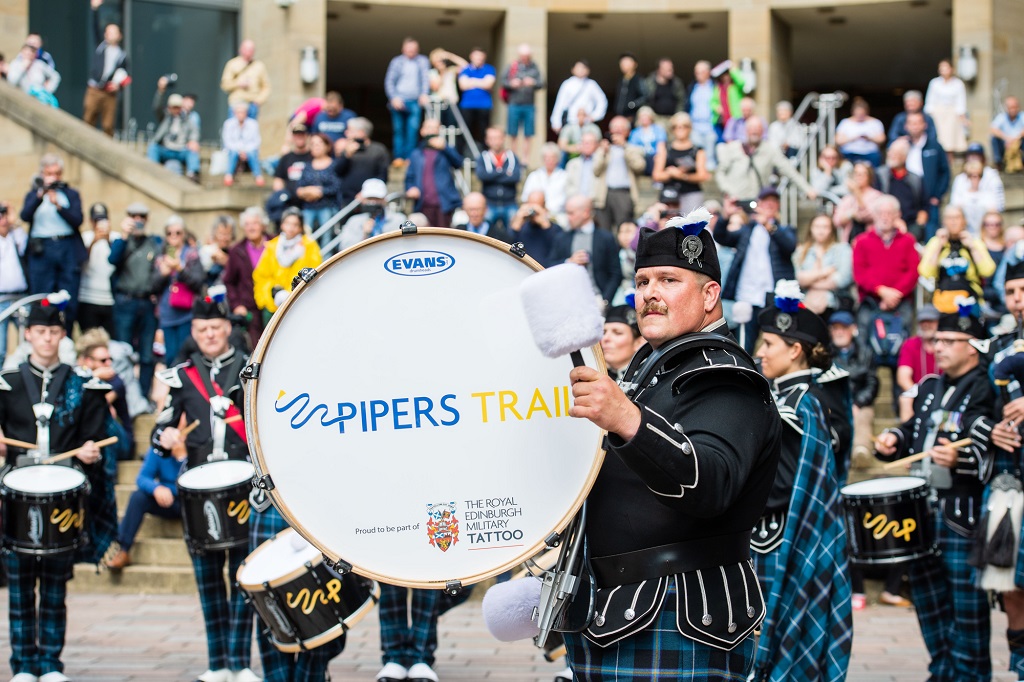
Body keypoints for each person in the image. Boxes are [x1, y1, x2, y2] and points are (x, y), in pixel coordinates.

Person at [561, 214, 782, 681]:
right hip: (617, 609)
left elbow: (711, 483)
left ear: (709, 295)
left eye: (668, 279)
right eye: (642, 281)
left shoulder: (726, 376)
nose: (649, 293)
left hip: (678, 610)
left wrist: (624, 416)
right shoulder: (655, 369)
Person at [874, 302, 995, 682]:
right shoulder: (930, 387)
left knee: (967, 611)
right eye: (936, 339)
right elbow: (915, 431)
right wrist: (894, 437)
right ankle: (942, 672)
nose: (937, 346)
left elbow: (994, 449)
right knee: (929, 603)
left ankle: (970, 676)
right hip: (920, 516)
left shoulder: (989, 390)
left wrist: (959, 461)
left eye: (948, 340)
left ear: (972, 346)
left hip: (962, 518)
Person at [0, 296, 111, 682]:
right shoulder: (7, 384)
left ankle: (50, 663)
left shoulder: (80, 383)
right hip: (17, 495)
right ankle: (22, 665)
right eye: (40, 332)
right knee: (18, 584)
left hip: (63, 494)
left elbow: (97, 437)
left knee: (54, 582)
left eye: (54, 332)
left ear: (63, 335)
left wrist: (91, 451)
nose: (47, 339)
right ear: (28, 335)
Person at [151, 293, 258, 682]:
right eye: (201, 329)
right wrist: (163, 438)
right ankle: (217, 664)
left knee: (242, 576)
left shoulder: (251, 369)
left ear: (228, 328)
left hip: (244, 487)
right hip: (198, 488)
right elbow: (161, 424)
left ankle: (241, 662)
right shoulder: (182, 375)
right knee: (209, 579)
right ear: (192, 332)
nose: (209, 334)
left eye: (215, 327)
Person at [751, 282, 852, 680]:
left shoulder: (808, 403)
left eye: (769, 343)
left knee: (782, 649)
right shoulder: (787, 398)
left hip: (784, 540)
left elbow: (783, 487)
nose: (760, 352)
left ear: (795, 350)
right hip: (773, 538)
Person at [983, 260, 1024, 680]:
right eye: (1011, 292)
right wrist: (993, 428)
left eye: (1023, 290)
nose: (1017, 300)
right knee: (1012, 581)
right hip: (1012, 475)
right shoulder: (999, 347)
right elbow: (982, 405)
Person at [714, 186, 797, 353]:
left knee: (777, 346)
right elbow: (721, 237)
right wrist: (726, 215)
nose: (769, 205)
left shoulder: (785, 229)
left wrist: (769, 225)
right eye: (765, 201)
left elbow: (789, 246)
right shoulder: (746, 231)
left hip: (774, 299)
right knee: (744, 347)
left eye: (773, 201)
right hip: (746, 298)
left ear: (778, 205)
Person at [19, 153, 86, 334]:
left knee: (68, 298)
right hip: (41, 251)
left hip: (66, 248)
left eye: (57, 174)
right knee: (41, 297)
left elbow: (77, 220)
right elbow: (25, 215)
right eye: (49, 173)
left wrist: (59, 206)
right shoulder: (34, 194)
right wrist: (41, 195)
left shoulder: (70, 194)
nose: (53, 177)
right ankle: (40, 333)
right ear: (42, 174)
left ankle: (66, 335)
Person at [852, 195, 921, 347]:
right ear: (874, 215)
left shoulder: (908, 241)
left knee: (903, 343)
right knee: (865, 343)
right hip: (871, 300)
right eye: (881, 213)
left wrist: (895, 294)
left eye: (889, 213)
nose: (885, 217)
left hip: (901, 300)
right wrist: (881, 291)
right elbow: (860, 273)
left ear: (898, 215)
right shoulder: (862, 241)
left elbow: (913, 271)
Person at [109, 202, 161, 400]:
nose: (138, 220)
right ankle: (123, 397)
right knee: (123, 351)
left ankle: (142, 396)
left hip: (147, 302)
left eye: (142, 216)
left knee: (147, 354)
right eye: (134, 216)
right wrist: (124, 235)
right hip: (125, 301)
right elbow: (112, 260)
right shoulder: (121, 241)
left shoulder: (154, 242)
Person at [104, 444, 184, 571]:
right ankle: (122, 549)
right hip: (168, 502)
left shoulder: (196, 444)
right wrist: (156, 488)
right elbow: (142, 478)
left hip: (192, 501)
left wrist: (182, 458)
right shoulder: (160, 446)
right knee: (138, 497)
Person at [715, 118, 817, 202]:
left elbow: (788, 170)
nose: (754, 131)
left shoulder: (770, 150)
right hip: (735, 200)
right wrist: (728, 191)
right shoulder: (733, 148)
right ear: (746, 130)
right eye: (751, 128)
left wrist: (807, 189)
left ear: (762, 131)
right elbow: (720, 172)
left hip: (758, 201)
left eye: (757, 128)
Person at [919, 204, 997, 312]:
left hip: (970, 301)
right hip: (943, 303)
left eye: (957, 217)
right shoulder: (936, 242)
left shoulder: (974, 242)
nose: (953, 222)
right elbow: (926, 272)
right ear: (944, 222)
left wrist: (972, 248)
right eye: (949, 218)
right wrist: (939, 246)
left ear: (964, 221)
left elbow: (988, 270)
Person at [547, 195, 620, 308]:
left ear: (586, 213)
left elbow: (616, 273)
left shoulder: (605, 238)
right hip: (568, 301)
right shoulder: (561, 238)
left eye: (571, 213)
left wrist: (605, 300)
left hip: (597, 300)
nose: (568, 218)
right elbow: (549, 266)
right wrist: (568, 262)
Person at [828, 310, 879, 468]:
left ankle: (861, 450)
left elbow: (872, 382)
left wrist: (857, 403)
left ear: (853, 329)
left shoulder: (865, 352)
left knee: (862, 417)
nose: (839, 332)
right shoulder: (825, 353)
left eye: (843, 328)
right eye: (835, 328)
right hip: (834, 404)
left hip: (860, 403)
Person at [253, 208, 323, 322]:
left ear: (300, 227)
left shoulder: (309, 246)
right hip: (274, 306)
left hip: (300, 303)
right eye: (288, 223)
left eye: (295, 224)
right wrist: (273, 292)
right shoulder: (272, 246)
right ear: (282, 225)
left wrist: (294, 292)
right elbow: (261, 276)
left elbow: (316, 271)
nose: (291, 228)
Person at [153, 215, 204, 365]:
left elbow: (198, 282)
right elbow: (152, 286)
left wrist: (180, 269)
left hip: (186, 314)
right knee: (169, 357)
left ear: (184, 234)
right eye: (170, 233)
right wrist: (163, 273)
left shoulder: (191, 254)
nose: (174, 236)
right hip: (166, 314)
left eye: (178, 233)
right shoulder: (160, 256)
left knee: (186, 354)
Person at [222, 206, 269, 346]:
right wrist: (237, 305)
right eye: (247, 224)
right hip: (250, 308)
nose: (251, 228)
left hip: (272, 305)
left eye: (254, 223)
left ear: (262, 225)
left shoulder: (275, 243)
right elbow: (229, 281)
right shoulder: (237, 250)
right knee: (257, 347)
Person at [404, 118, 462, 228]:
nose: (431, 131)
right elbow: (409, 177)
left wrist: (445, 148)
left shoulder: (445, 150)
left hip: (443, 204)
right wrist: (410, 188)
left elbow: (458, 163)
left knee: (443, 238)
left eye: (435, 128)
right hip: (423, 204)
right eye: (429, 127)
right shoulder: (416, 154)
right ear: (422, 131)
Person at [591, 116, 646, 231]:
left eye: (621, 128)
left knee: (624, 229)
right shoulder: (603, 149)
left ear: (627, 132)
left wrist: (625, 147)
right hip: (604, 194)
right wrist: (603, 152)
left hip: (624, 194)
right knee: (603, 230)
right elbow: (595, 170)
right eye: (615, 128)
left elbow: (639, 167)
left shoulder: (634, 149)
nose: (617, 131)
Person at [792, 213, 852, 316]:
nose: (821, 231)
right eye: (817, 227)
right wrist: (825, 272)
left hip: (835, 305)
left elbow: (842, 279)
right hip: (806, 305)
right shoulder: (801, 252)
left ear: (831, 230)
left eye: (825, 227)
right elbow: (800, 278)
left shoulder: (842, 249)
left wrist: (810, 281)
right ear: (811, 229)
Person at [83, 2, 128, 137]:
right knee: (88, 119)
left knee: (108, 125)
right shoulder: (100, 47)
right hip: (94, 88)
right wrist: (94, 9)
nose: (110, 34)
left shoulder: (122, 55)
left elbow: (126, 75)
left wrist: (118, 85)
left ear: (119, 35)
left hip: (110, 93)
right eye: (108, 32)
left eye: (113, 32)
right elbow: (94, 27)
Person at [384, 38, 431, 167]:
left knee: (413, 129)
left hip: (415, 101)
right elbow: (389, 81)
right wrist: (393, 97)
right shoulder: (396, 61)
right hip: (399, 100)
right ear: (403, 49)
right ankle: (399, 157)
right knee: (399, 130)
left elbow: (425, 79)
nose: (411, 52)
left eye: (414, 49)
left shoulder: (422, 61)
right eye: (409, 49)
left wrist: (424, 94)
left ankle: (410, 158)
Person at [652, 112, 709, 216]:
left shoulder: (697, 150)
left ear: (690, 128)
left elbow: (703, 175)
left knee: (690, 227)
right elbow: (657, 174)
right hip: (670, 193)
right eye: (676, 127)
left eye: (684, 126)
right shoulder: (665, 149)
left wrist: (683, 176)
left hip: (691, 193)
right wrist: (671, 173)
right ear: (672, 129)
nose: (680, 129)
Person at [904, 111, 950, 241]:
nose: (915, 126)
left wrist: (938, 195)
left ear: (924, 125)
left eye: (918, 123)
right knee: (910, 237)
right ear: (906, 126)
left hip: (930, 199)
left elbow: (945, 172)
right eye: (911, 123)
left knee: (932, 237)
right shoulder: (903, 145)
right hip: (910, 200)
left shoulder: (935, 146)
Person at [78, 202, 119, 336]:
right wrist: (94, 241)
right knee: (89, 338)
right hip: (87, 297)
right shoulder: (85, 237)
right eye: (96, 220)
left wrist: (108, 241)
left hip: (110, 298)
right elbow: (80, 262)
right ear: (90, 221)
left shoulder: (116, 238)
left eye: (103, 220)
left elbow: (118, 261)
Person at [874, 138, 928, 241]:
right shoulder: (881, 176)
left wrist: (919, 225)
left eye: (896, 153)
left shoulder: (915, 179)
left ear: (905, 156)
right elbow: (876, 202)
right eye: (890, 152)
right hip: (886, 222)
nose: (891, 155)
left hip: (911, 224)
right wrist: (894, 221)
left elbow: (924, 207)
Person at [896, 305, 941, 420]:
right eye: (922, 321)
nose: (926, 325)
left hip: (943, 393)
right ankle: (908, 435)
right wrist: (920, 394)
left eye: (930, 321)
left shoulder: (945, 345)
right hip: (918, 394)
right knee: (905, 399)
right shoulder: (910, 344)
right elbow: (903, 377)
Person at [333, 117, 391, 207]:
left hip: (369, 200)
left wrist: (366, 193)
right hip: (347, 201)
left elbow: (382, 176)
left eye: (350, 130)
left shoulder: (378, 150)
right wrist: (346, 155)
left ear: (361, 133)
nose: (346, 133)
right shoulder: (347, 149)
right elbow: (337, 171)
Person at [296, 133, 341, 244]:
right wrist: (308, 192)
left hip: (327, 207)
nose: (316, 146)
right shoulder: (307, 166)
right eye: (313, 144)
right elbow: (300, 186)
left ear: (327, 146)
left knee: (326, 237)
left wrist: (320, 191)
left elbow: (336, 186)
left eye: (319, 143)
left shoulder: (334, 164)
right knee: (306, 237)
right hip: (308, 207)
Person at [476, 126, 521, 234]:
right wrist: (504, 173)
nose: (495, 141)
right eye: (492, 138)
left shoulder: (512, 157)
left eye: (498, 138)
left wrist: (492, 175)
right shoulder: (483, 157)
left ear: (503, 138)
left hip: (509, 202)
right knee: (485, 235)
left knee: (513, 234)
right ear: (487, 140)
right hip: (489, 203)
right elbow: (482, 176)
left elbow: (515, 177)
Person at [338, 178, 406, 250]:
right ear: (363, 199)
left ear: (384, 199)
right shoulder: (354, 221)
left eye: (377, 198)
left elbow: (404, 246)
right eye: (370, 198)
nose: (373, 202)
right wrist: (364, 235)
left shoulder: (399, 220)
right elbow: (344, 248)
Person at [503, 43, 543, 161]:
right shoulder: (512, 66)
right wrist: (512, 83)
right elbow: (503, 81)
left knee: (528, 133)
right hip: (514, 103)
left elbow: (541, 83)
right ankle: (514, 158)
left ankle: (525, 160)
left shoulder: (534, 67)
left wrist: (533, 82)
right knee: (513, 132)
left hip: (529, 104)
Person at [147, 93, 201, 182]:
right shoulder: (165, 117)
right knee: (153, 147)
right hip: (166, 149)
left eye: (178, 107)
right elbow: (157, 107)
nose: (176, 110)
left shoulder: (187, 119)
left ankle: (193, 174)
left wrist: (193, 141)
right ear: (169, 107)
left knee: (193, 151)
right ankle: (152, 170)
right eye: (174, 107)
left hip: (181, 150)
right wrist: (161, 91)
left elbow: (194, 131)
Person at [0, 200, 28, 368]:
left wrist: (13, 216)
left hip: (21, 297)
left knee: (27, 345)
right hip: (1, 299)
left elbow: (26, 245)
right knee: (0, 349)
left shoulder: (16, 235)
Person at [924, 58, 969, 161]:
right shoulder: (934, 83)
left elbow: (960, 102)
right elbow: (930, 100)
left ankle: (948, 166)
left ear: (951, 69)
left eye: (946, 68)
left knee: (949, 143)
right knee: (938, 140)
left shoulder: (958, 84)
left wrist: (963, 117)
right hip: (937, 115)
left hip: (952, 115)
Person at [549, 60, 607, 134]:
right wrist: (556, 122)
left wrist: (595, 116)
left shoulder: (592, 84)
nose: (581, 70)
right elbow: (559, 104)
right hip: (571, 122)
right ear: (573, 70)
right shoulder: (567, 84)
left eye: (583, 68)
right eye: (578, 68)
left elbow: (602, 100)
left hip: (587, 123)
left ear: (588, 70)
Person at [832, 162, 883, 243]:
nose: (859, 177)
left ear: (869, 177)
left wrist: (857, 192)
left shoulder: (876, 196)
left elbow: (867, 216)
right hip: (849, 241)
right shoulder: (847, 198)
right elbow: (837, 221)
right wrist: (851, 214)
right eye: (856, 173)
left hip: (870, 241)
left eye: (862, 174)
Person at [220, 39, 271, 119]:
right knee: (233, 130)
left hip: (252, 104)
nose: (249, 52)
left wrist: (258, 101)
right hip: (236, 103)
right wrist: (238, 84)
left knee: (251, 130)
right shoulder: (232, 64)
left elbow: (266, 86)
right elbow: (225, 85)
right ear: (241, 49)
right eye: (246, 49)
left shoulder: (259, 66)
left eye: (251, 50)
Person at [457, 47, 496, 149]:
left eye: (480, 56)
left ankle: (484, 154)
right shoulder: (465, 69)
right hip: (467, 105)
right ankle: (462, 155)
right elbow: (462, 85)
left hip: (484, 105)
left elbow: (488, 84)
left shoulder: (489, 69)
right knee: (465, 131)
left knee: (483, 132)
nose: (478, 58)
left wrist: (471, 81)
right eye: (476, 56)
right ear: (471, 57)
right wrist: (481, 82)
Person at [950, 159, 1001, 236]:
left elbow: (994, 214)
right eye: (971, 175)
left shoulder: (988, 195)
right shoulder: (961, 195)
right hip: (964, 234)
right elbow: (954, 211)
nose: (975, 178)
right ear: (967, 176)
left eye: (978, 175)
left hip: (984, 235)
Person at [221, 101, 264, 187]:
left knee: (252, 153)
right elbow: (227, 141)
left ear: (246, 113)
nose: (240, 114)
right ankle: (228, 175)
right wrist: (240, 150)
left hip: (249, 150)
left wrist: (245, 151)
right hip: (234, 150)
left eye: (242, 112)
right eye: (238, 112)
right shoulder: (228, 124)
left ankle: (258, 176)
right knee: (232, 152)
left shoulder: (253, 124)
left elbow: (256, 141)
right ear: (234, 113)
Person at [520, 142, 568, 218]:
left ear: (557, 159)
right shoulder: (534, 175)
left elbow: (565, 199)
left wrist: (548, 210)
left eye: (553, 157)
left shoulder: (564, 176)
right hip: (534, 214)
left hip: (557, 214)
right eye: (546, 157)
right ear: (543, 159)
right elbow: (525, 197)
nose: (549, 160)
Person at [509, 190, 557, 266]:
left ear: (544, 207)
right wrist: (517, 222)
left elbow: (557, 249)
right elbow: (507, 246)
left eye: (537, 206)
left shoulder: (553, 229)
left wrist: (545, 224)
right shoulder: (521, 227)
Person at [835, 97, 886, 167]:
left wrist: (869, 138)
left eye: (862, 114)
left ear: (866, 112)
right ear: (853, 112)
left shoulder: (875, 122)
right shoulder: (845, 123)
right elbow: (838, 141)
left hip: (870, 154)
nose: (860, 116)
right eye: (858, 113)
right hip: (849, 154)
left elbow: (882, 139)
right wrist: (853, 138)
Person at [600, 304, 643, 380]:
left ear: (639, 342)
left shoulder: (646, 379)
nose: (605, 338)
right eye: (604, 332)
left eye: (617, 333)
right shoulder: (597, 375)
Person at [688, 60, 717, 169]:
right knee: (697, 152)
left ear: (708, 72)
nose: (698, 75)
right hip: (695, 125)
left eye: (701, 72)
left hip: (710, 125)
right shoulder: (693, 87)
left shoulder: (715, 86)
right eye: (697, 72)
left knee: (710, 156)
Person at [644, 57, 687, 130]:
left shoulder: (676, 83)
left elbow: (682, 101)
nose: (671, 70)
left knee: (684, 118)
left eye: (671, 67)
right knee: (644, 110)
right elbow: (645, 100)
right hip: (656, 118)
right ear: (659, 70)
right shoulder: (649, 83)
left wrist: (677, 115)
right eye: (667, 68)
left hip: (673, 118)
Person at [628, 106, 667, 176]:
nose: (644, 118)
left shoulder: (658, 130)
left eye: (646, 116)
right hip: (641, 157)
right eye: (642, 116)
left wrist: (658, 155)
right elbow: (632, 147)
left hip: (654, 157)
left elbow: (661, 147)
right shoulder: (635, 132)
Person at [990, 96, 1024, 171]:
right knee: (994, 138)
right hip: (1005, 144)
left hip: (1019, 144)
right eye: (1010, 107)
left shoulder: (1022, 116)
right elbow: (993, 129)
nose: (1013, 110)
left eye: (1014, 107)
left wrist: (1016, 139)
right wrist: (1006, 139)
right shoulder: (1002, 117)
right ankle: (998, 162)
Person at [612, 52, 647, 121]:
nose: (624, 65)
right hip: (620, 116)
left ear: (635, 64)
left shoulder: (638, 79)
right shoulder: (621, 80)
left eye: (627, 62)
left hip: (633, 117)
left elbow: (645, 96)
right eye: (622, 62)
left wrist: (632, 104)